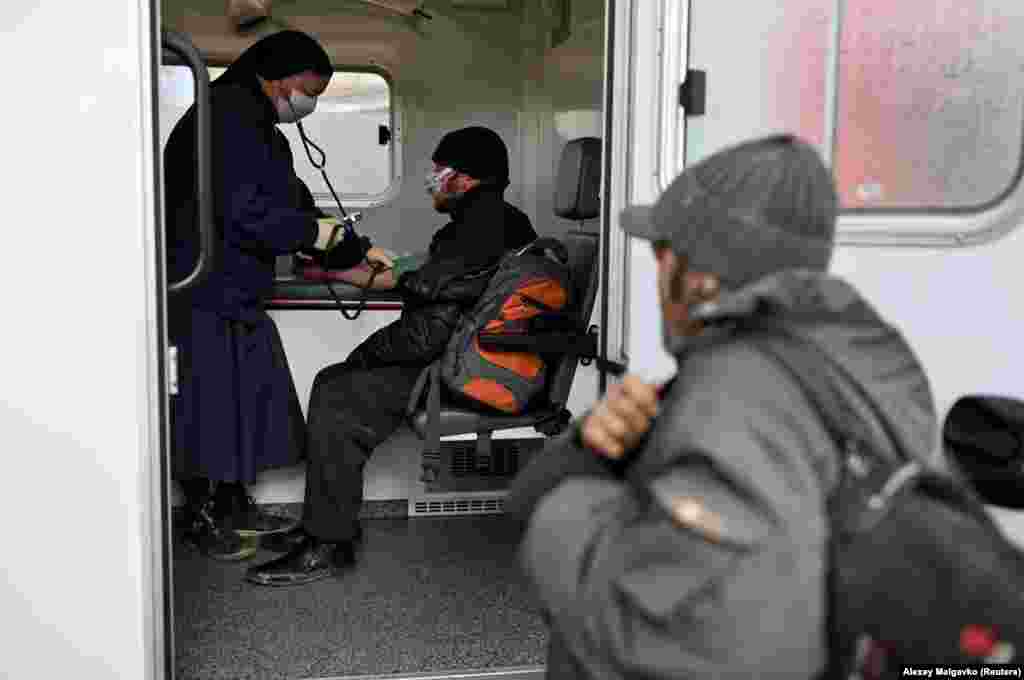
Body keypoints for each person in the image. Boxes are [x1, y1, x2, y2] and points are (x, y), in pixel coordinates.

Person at [504, 134, 939, 678]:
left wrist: (565, 503)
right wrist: (593, 446)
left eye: (662, 254)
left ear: (700, 278)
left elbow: (685, 646)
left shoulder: (735, 399)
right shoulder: (857, 369)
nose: (657, 274)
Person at [245, 125, 539, 585]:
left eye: (440, 171)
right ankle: (323, 526)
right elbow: (429, 276)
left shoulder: (479, 228)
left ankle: (328, 545)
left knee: (342, 394)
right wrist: (353, 269)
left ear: (463, 180)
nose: (431, 178)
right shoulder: (497, 222)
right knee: (334, 381)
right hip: (469, 357)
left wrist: (368, 352)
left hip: (464, 370)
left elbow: (430, 331)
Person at [165, 30, 393, 560]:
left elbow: (292, 201)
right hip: (202, 288)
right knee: (207, 406)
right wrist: (331, 243)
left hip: (231, 289)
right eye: (309, 89)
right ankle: (202, 516)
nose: (308, 103)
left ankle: (231, 502)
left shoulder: (256, 125)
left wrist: (347, 246)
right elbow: (251, 213)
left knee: (239, 399)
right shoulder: (229, 118)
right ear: (278, 74)